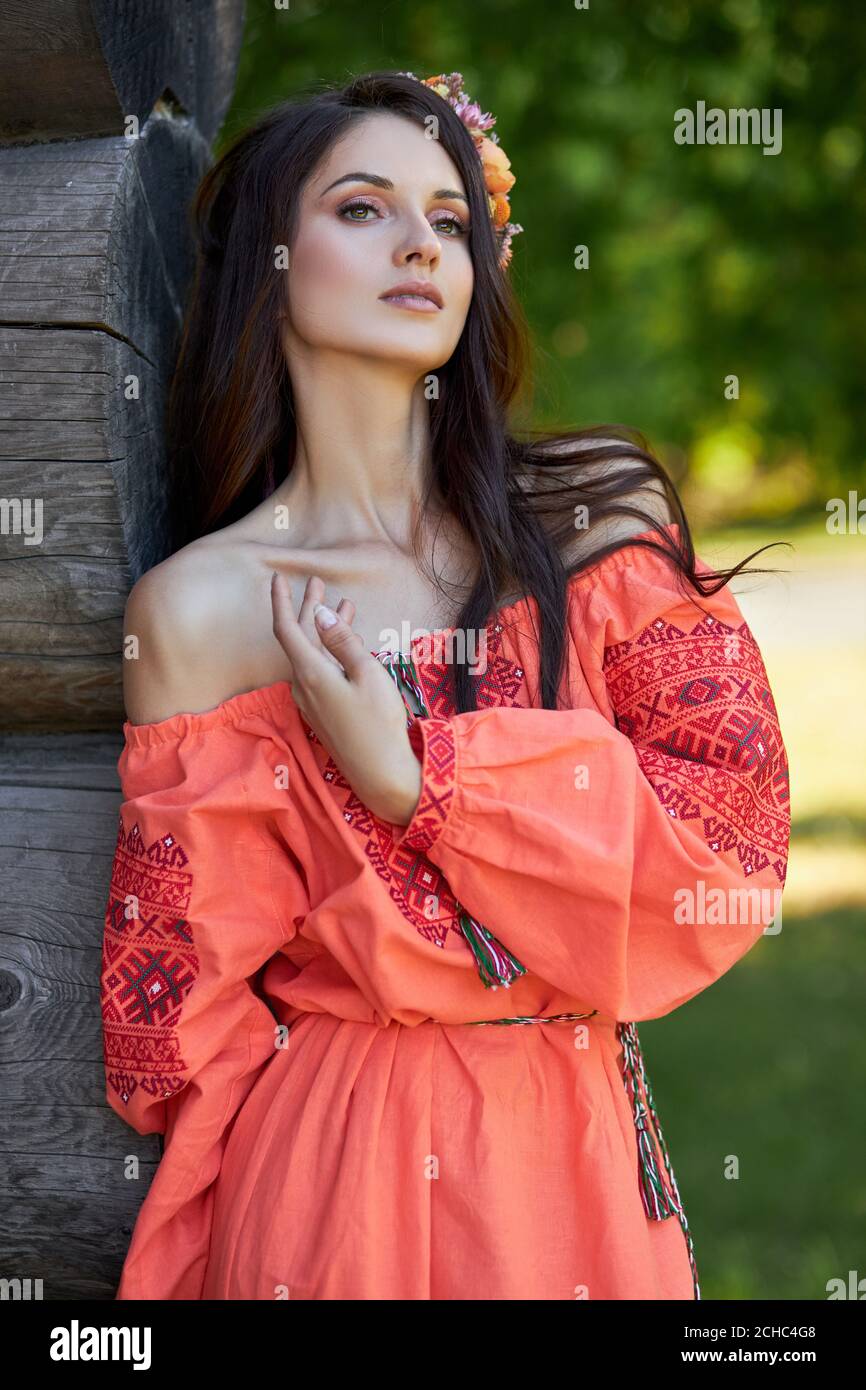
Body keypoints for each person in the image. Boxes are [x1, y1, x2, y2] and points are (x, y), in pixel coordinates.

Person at [100, 71, 791, 1301]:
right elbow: (178, 1031)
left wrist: (420, 782)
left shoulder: (591, 526)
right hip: (333, 1183)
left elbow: (729, 853)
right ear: (270, 255)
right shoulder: (201, 612)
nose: (421, 242)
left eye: (452, 219)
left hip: (570, 1162)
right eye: (362, 209)